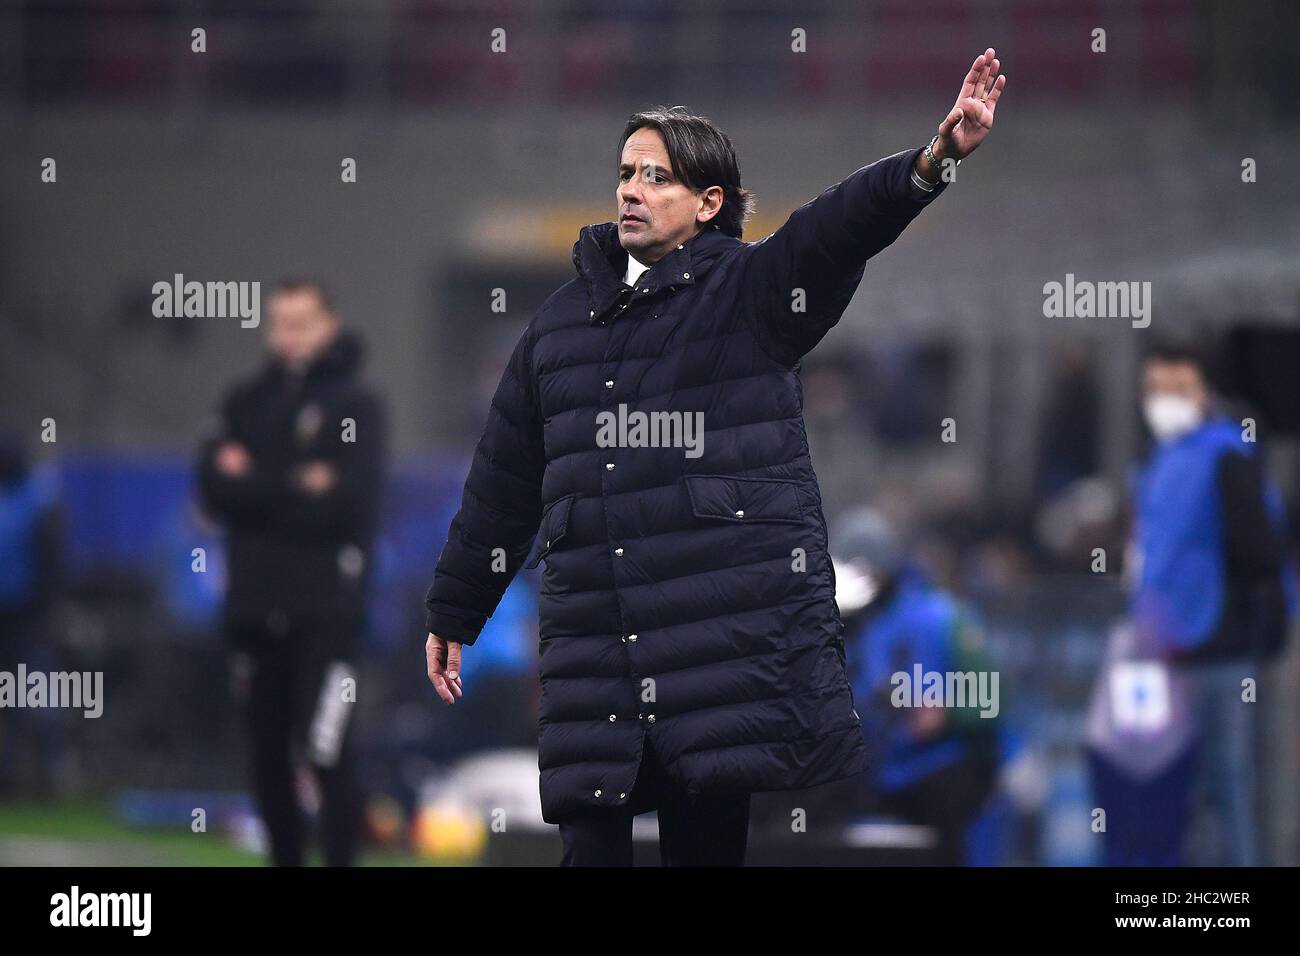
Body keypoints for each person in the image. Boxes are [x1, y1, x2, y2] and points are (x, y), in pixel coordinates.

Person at [424, 50, 1008, 866]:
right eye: (626, 172)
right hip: (596, 657)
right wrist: (457, 609)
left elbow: (834, 229)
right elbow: (503, 480)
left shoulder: (752, 294)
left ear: (708, 203)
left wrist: (930, 163)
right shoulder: (556, 328)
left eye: (655, 176)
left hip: (714, 664)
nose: (630, 188)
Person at [197, 278, 387, 866]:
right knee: (266, 757)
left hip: (327, 613)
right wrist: (297, 480)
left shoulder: (358, 405)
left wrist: (256, 482)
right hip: (253, 610)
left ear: (329, 324)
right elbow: (213, 489)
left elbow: (348, 501)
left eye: (304, 321)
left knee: (324, 748)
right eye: (281, 321)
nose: (291, 334)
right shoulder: (242, 400)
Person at [1129, 342, 1296, 866]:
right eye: (1158, 389)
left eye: (1179, 388)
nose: (1167, 401)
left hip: (1217, 644)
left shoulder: (1225, 454)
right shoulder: (1162, 461)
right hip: (1166, 648)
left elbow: (1257, 549)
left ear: (1203, 391)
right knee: (1187, 788)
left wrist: (1241, 620)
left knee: (1226, 781)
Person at [835, 508, 1002, 866]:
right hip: (868, 775)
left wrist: (948, 714)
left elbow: (990, 697)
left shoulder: (943, 617)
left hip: (934, 771)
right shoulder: (843, 620)